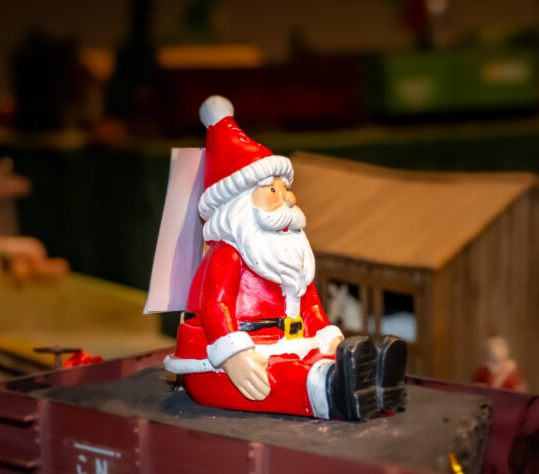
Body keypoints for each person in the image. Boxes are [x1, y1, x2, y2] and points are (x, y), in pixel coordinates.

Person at [164, 95, 406, 420]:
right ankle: (334, 390)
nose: (288, 198)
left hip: (292, 343)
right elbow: (215, 307)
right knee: (285, 378)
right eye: (273, 190)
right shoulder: (229, 256)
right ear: (239, 204)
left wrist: (328, 337)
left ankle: (374, 381)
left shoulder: (291, 256)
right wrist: (233, 354)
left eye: (285, 188)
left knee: (319, 360)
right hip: (230, 359)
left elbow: (310, 305)